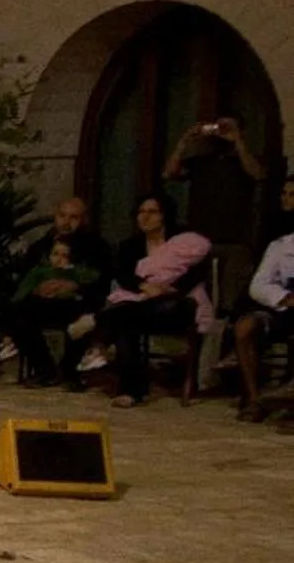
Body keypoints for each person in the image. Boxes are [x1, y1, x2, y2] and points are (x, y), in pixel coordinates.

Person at [94, 192, 213, 409]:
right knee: (125, 321)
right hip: (141, 303)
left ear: (164, 215)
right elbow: (122, 274)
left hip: (178, 303)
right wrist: (143, 286)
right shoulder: (129, 246)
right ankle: (131, 390)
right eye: (141, 212)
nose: (145, 217)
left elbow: (198, 272)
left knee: (123, 316)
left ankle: (97, 326)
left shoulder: (184, 241)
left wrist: (168, 288)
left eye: (152, 212)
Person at [165, 115, 263, 302]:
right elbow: (170, 172)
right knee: (198, 295)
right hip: (200, 239)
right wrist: (184, 141)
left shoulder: (244, 158)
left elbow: (257, 174)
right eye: (217, 127)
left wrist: (238, 141)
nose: (220, 132)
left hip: (236, 239)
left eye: (226, 127)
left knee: (231, 296)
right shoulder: (201, 160)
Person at [11, 199, 108, 388]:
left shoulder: (97, 247)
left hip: (78, 302)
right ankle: (45, 370)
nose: (66, 221)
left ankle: (70, 370)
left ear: (83, 220)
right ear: (55, 216)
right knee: (16, 311)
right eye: (62, 215)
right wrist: (38, 288)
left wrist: (74, 285)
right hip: (44, 302)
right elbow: (25, 278)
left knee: (88, 313)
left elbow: (102, 280)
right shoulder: (40, 246)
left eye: (74, 217)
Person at [232, 226, 294, 421]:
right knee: (245, 327)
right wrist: (285, 298)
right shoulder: (280, 246)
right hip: (284, 309)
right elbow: (258, 285)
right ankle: (254, 400)